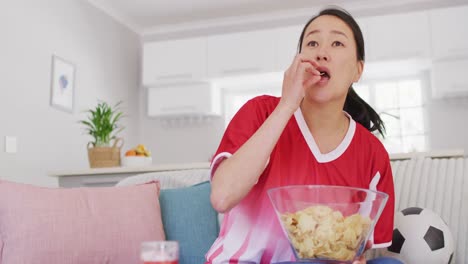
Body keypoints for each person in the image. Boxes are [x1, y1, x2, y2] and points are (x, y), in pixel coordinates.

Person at [205, 6, 402, 264]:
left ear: (358, 69)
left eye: (337, 43)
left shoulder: (372, 153)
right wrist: (287, 105)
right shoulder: (260, 111)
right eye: (312, 42)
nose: (321, 52)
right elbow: (222, 197)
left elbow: (357, 251)